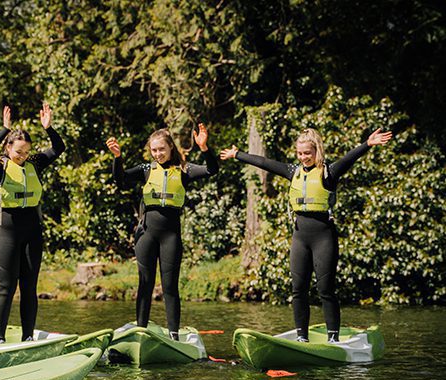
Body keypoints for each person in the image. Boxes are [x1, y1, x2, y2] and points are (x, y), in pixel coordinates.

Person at [220, 127, 393, 342]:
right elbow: (265, 163)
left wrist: (368, 144)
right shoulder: (294, 171)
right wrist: (238, 155)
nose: (303, 157)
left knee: (325, 290)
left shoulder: (329, 172)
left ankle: (332, 338)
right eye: (300, 153)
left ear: (317, 151)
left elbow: (349, 158)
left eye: (307, 153)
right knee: (298, 290)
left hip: (324, 236)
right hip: (300, 237)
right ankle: (302, 337)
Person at [106, 125, 219, 340]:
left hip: (170, 236)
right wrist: (117, 158)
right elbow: (119, 179)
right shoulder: (146, 169)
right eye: (154, 150)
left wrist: (204, 148)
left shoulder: (184, 169)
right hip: (146, 234)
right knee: (145, 285)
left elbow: (212, 170)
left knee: (170, 287)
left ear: (170, 148)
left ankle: (174, 335)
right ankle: (141, 331)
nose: (158, 154)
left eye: (161, 149)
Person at [0, 103, 65, 343]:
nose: (22, 156)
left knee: (29, 288)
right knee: (6, 288)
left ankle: (27, 338)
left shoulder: (35, 164)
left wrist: (48, 128)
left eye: (26, 152)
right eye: (18, 152)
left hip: (32, 231)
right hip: (7, 231)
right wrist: (3, 129)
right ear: (8, 147)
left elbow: (59, 148)